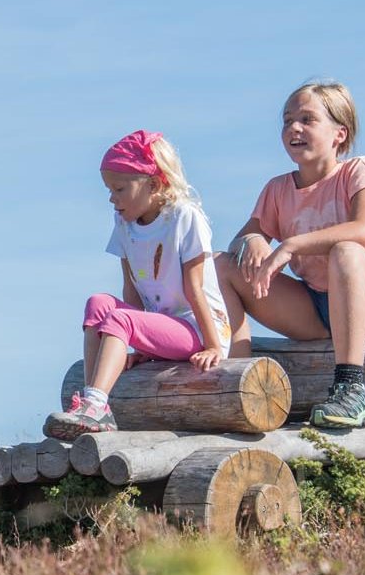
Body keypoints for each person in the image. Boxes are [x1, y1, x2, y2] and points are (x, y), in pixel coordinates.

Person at [216, 79, 365, 430]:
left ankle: (351, 388)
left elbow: (363, 229)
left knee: (346, 251)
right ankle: (237, 380)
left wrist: (291, 245)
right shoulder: (277, 189)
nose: (294, 127)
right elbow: (242, 238)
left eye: (307, 119)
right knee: (221, 265)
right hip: (317, 308)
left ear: (340, 133)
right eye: (287, 120)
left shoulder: (359, 171)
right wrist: (254, 241)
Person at [44, 130, 230, 440]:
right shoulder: (124, 224)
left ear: (154, 185)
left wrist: (213, 346)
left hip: (197, 326)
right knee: (99, 304)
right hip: (162, 325)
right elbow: (131, 290)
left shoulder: (185, 218)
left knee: (119, 318)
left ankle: (97, 405)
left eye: (119, 189)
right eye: (109, 189)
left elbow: (195, 289)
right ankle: (91, 401)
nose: (111, 198)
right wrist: (140, 343)